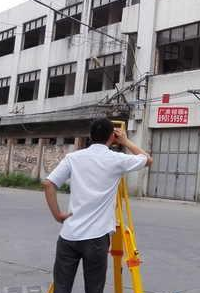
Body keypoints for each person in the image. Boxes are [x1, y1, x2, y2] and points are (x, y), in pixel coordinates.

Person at [43, 118, 152, 293]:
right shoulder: (117, 159)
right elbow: (147, 160)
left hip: (68, 236)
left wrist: (57, 215)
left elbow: (49, 184)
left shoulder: (73, 158)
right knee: (94, 289)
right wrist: (125, 141)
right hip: (96, 238)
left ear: (90, 135)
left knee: (61, 288)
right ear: (112, 136)